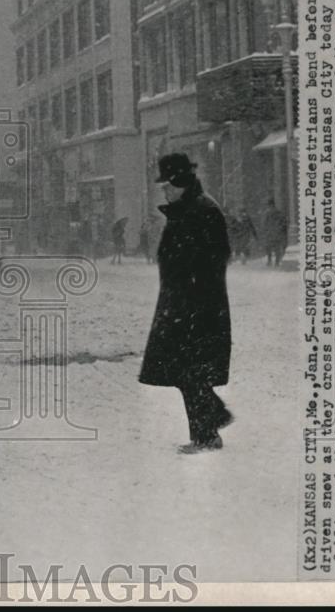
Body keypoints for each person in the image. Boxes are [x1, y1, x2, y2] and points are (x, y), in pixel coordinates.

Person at [139, 153, 233, 454]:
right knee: (185, 369)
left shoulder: (202, 210)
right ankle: (210, 426)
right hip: (183, 303)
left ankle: (207, 433)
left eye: (168, 185)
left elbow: (216, 256)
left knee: (189, 370)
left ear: (181, 183)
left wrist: (193, 290)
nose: (164, 191)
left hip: (197, 306)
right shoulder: (188, 209)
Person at [262, 199, 288, 267]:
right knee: (277, 247)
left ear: (269, 205)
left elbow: (264, 223)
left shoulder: (267, 213)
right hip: (277, 232)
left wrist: (265, 230)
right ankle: (276, 261)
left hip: (269, 232)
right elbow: (283, 222)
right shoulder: (278, 212)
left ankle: (269, 260)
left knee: (268, 247)